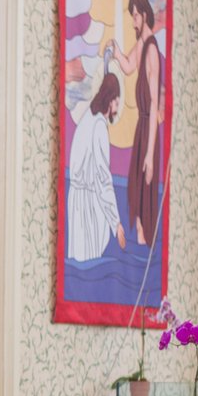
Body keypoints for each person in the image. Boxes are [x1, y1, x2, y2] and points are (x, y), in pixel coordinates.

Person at [106, 0, 163, 248]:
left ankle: (144, 236)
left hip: (149, 127)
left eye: (136, 16)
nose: (133, 22)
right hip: (141, 125)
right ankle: (140, 231)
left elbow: (153, 103)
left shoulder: (151, 50)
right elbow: (128, 66)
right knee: (135, 184)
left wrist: (150, 153)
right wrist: (116, 51)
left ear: (144, 15)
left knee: (145, 183)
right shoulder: (141, 44)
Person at [67, 73, 127, 262]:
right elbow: (103, 178)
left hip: (77, 200)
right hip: (88, 206)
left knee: (79, 260)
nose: (117, 109)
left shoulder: (88, 118)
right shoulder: (99, 125)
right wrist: (116, 223)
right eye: (116, 103)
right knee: (89, 261)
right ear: (111, 100)